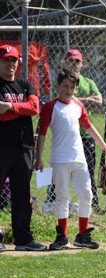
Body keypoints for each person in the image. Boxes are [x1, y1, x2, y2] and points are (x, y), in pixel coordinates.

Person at [35, 69, 106, 250]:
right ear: (58, 86)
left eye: (72, 87)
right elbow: (42, 133)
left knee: (86, 194)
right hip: (60, 160)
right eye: (65, 86)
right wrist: (39, 157)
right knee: (62, 197)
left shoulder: (78, 105)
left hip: (79, 159)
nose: (68, 90)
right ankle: (62, 236)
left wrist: (103, 144)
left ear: (76, 89)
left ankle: (82, 235)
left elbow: (88, 126)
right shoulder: (51, 107)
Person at [43, 49, 104, 212]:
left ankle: (93, 203)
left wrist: (77, 99)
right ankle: (50, 199)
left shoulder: (88, 82)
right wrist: (86, 100)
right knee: (57, 170)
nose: (74, 64)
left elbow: (99, 101)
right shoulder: (62, 79)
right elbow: (64, 98)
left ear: (82, 64)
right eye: (70, 60)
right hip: (64, 136)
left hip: (84, 134)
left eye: (77, 61)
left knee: (88, 169)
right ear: (65, 62)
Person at [0, 44, 46, 251]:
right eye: (6, 60)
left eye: (13, 60)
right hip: (2, 148)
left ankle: (23, 239)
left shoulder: (25, 84)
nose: (10, 64)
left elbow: (35, 108)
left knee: (22, 195)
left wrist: (10, 107)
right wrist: (21, 109)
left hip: (24, 148)